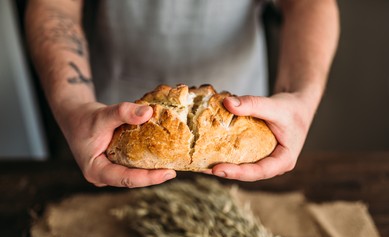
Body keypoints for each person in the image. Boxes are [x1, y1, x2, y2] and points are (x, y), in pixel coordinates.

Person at [25, 0, 339, 188]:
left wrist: (301, 98)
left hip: (239, 128)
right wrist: (73, 104)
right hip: (108, 122)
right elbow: (55, 5)